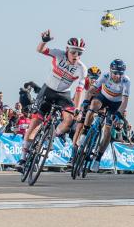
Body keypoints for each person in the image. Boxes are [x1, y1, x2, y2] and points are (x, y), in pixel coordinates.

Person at [16, 30, 88, 171]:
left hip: (63, 95)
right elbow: (40, 50)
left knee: (70, 119)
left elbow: (80, 90)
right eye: (73, 52)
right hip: (47, 91)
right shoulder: (58, 54)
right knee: (35, 124)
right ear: (67, 50)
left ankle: (51, 136)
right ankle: (23, 159)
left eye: (80, 53)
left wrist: (77, 108)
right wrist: (44, 40)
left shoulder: (81, 68)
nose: (76, 55)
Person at [78, 59, 131, 172]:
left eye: (120, 73)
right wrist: (86, 101)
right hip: (103, 97)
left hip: (116, 104)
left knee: (107, 129)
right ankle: (85, 132)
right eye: (115, 73)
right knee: (93, 105)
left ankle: (98, 159)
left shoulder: (126, 81)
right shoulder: (105, 76)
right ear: (111, 71)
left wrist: (118, 114)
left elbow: (125, 101)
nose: (117, 76)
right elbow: (92, 89)